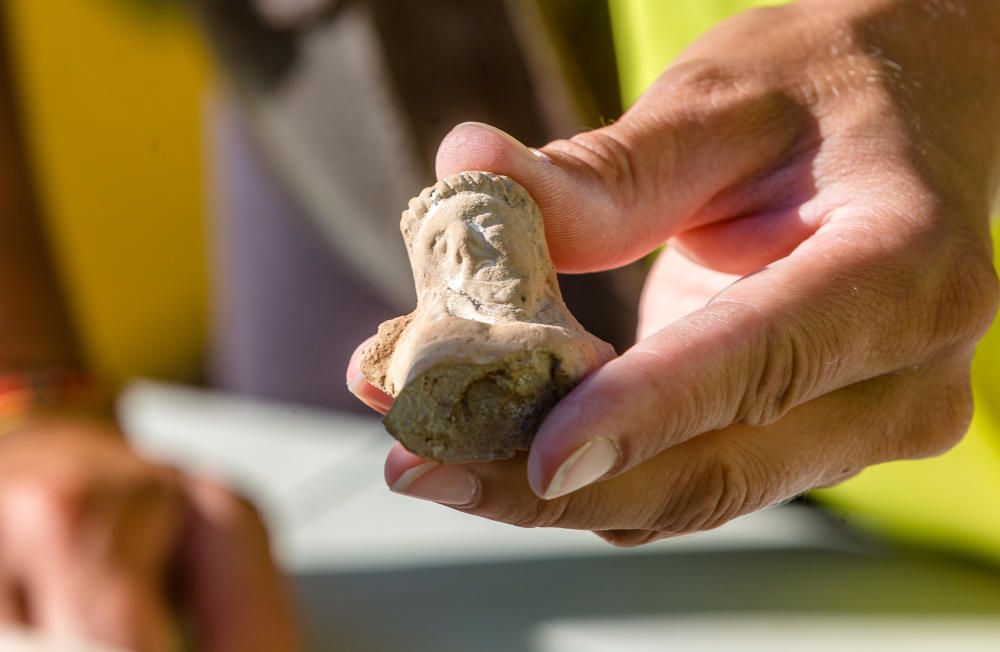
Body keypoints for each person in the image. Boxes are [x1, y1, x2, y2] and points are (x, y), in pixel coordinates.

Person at [0, 0, 998, 650]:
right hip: (334, 96)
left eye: (487, 225)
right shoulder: (419, 321)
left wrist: (962, 39)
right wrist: (21, 387)